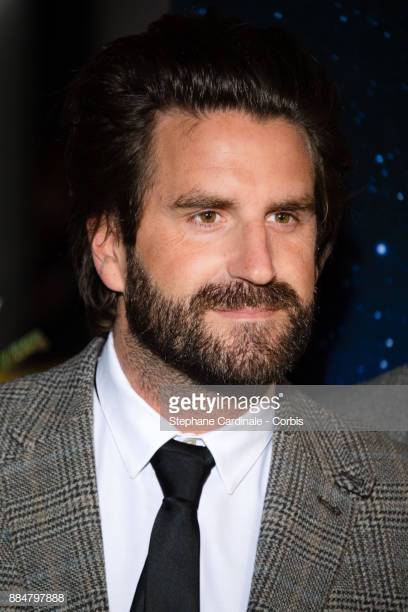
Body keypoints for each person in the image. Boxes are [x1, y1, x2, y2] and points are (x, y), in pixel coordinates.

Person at [1, 12, 407, 612]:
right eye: (208, 216)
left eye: (284, 217)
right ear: (111, 249)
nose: (259, 266)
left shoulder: (394, 488)